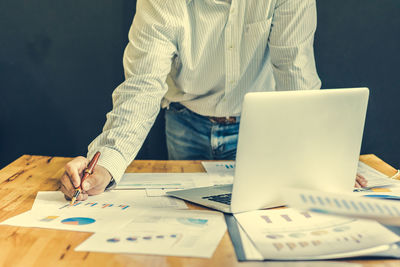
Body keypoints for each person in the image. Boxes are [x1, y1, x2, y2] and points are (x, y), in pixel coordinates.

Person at [60, 0, 367, 201]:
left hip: (259, 128)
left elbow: (295, 69)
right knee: (189, 220)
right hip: (185, 121)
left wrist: (321, 157)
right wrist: (106, 163)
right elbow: (143, 84)